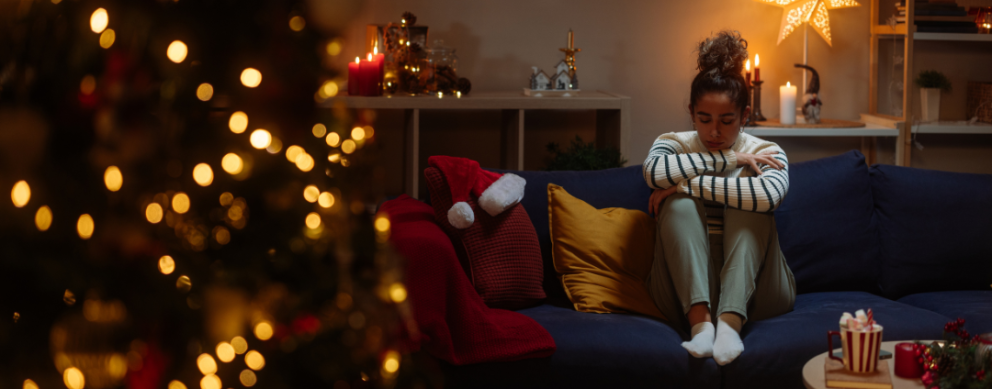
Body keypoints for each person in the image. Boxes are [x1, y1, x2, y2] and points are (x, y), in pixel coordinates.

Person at [641, 30, 795, 366]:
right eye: (704, 119)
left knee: (747, 198)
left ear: (744, 115)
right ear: (691, 112)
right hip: (679, 289)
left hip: (760, 289)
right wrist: (726, 160)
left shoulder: (766, 152)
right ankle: (701, 325)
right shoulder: (673, 143)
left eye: (726, 121)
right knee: (678, 206)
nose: (714, 132)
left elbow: (769, 196)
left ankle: (729, 323)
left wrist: (684, 185)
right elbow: (653, 173)